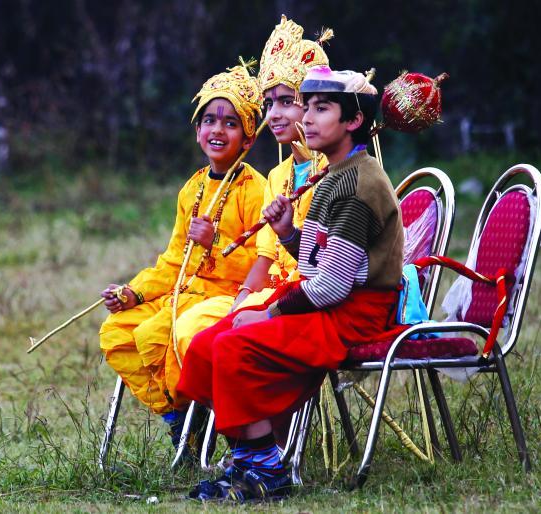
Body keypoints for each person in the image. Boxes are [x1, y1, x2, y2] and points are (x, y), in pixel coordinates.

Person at [177, 66, 406, 502]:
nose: (309, 119)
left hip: (355, 314)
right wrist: (287, 233)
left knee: (235, 345)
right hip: (327, 300)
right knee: (209, 344)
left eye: (322, 109)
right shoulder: (333, 174)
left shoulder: (359, 184)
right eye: (309, 108)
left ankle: (268, 470)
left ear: (353, 121)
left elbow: (334, 285)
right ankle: (250, 458)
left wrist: (270, 312)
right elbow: (323, 259)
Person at [98, 64, 266, 452]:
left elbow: (265, 262)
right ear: (197, 132)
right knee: (117, 330)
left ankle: (200, 420)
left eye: (230, 123)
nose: (217, 131)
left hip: (224, 297)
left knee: (154, 335)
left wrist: (215, 242)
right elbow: (175, 260)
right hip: (184, 292)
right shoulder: (191, 188)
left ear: (247, 137)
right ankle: (180, 419)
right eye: (209, 121)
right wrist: (134, 293)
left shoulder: (255, 189)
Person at [172, 16, 332, 377]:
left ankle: (257, 433)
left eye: (286, 102)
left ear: (313, 104)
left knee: (224, 338)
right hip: (266, 292)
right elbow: (264, 257)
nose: (273, 114)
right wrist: (242, 299)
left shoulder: (334, 172)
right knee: (190, 328)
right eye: (269, 103)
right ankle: (214, 430)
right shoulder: (279, 176)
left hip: (311, 297)